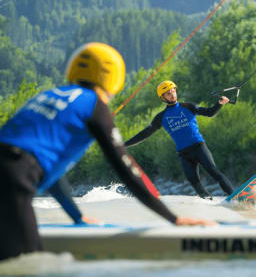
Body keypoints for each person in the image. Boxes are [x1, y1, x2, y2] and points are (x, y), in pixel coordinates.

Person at [0, 43, 215, 261]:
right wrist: (173, 219)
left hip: (13, 171)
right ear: (112, 78)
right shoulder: (93, 104)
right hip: (12, 180)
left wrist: (78, 216)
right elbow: (126, 168)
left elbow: (51, 172)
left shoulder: (49, 96)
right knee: (28, 263)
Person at [125, 80, 235, 199]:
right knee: (195, 184)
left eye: (173, 91)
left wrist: (220, 103)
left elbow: (209, 113)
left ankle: (235, 197)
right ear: (162, 98)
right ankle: (209, 203)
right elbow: (145, 134)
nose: (172, 94)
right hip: (184, 155)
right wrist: (124, 145)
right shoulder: (161, 117)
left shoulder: (188, 106)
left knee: (214, 172)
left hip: (199, 147)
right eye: (168, 93)